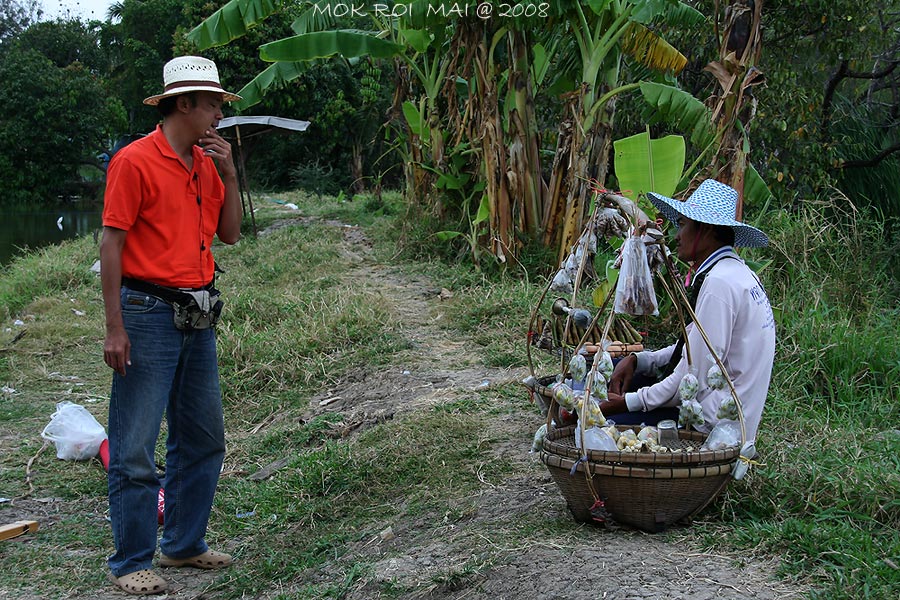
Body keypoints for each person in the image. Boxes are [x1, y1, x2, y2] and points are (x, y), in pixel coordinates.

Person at [100, 56, 242, 595]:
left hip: (198, 312)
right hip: (147, 312)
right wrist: (115, 327)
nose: (216, 115)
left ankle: (183, 544)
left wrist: (228, 172)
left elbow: (228, 235)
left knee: (203, 436)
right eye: (211, 104)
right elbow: (111, 245)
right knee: (135, 443)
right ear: (183, 104)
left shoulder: (206, 164)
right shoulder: (135, 162)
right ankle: (131, 560)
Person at [604, 179, 776, 444]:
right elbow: (695, 350)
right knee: (620, 369)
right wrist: (640, 360)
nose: (676, 236)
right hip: (722, 413)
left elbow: (689, 378)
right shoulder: (739, 274)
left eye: (682, 225)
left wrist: (622, 404)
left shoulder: (719, 284)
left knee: (606, 425)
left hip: (711, 426)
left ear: (704, 229)